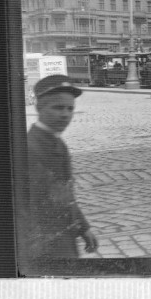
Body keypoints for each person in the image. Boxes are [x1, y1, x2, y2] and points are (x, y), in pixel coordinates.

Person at [25, 75, 98, 259]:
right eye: (58, 107)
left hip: (63, 239)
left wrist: (84, 227)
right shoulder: (28, 148)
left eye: (70, 108)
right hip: (45, 248)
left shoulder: (58, 143)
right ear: (39, 108)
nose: (65, 114)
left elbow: (65, 195)